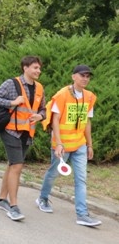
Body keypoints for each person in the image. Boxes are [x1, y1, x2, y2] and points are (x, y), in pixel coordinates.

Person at [36, 64, 102, 227]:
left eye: (88, 76)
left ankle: (82, 214)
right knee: (53, 173)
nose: (85, 79)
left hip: (80, 144)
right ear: (74, 77)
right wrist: (58, 143)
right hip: (62, 145)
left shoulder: (89, 97)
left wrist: (89, 145)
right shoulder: (62, 95)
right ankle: (42, 198)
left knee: (81, 179)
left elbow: (87, 122)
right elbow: (55, 120)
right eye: (82, 75)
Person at [0, 56, 46, 221]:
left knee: (12, 166)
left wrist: (40, 117)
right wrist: (13, 101)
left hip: (27, 133)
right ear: (25, 68)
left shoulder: (40, 88)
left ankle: (1, 200)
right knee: (17, 166)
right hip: (11, 131)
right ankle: (13, 206)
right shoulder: (11, 84)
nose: (38, 71)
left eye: (39, 68)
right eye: (35, 67)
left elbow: (44, 109)